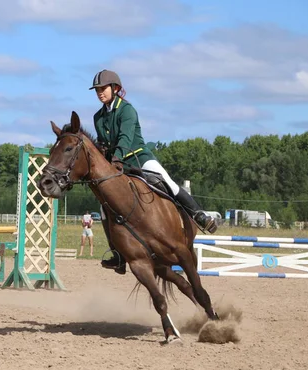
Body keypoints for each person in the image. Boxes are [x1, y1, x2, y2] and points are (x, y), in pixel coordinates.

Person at [89, 69, 217, 275]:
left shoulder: (127, 110)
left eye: (102, 88)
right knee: (105, 208)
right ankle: (118, 254)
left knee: (167, 182)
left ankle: (199, 215)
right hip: (117, 165)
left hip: (138, 158)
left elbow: (125, 138)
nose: (99, 93)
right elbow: (104, 144)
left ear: (115, 88)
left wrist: (116, 158)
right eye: (97, 90)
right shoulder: (98, 117)